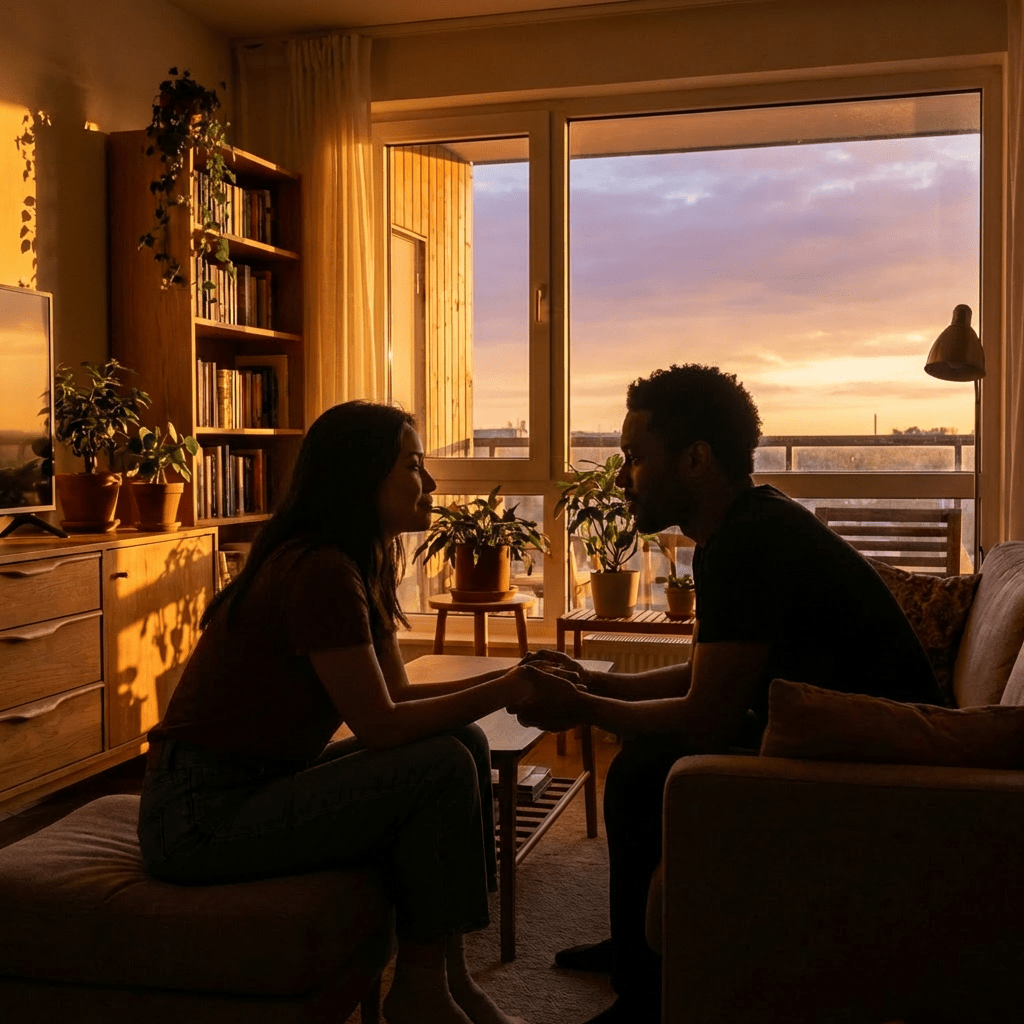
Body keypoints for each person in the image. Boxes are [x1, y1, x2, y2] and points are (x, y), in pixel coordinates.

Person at [513, 363, 943, 1024]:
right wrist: (594, 680)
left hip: (870, 770)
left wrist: (581, 707)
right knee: (640, 773)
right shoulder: (737, 531)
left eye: (634, 458)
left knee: (644, 769)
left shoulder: (750, 545)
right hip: (831, 736)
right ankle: (637, 955)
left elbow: (705, 718)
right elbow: (706, 675)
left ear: (695, 459)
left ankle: (646, 996)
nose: (624, 477)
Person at [138, 400, 558, 1024]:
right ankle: (418, 994)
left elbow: (396, 698)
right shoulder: (319, 570)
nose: (432, 484)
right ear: (361, 477)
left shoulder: (352, 563)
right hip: (199, 817)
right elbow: (382, 726)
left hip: (247, 788)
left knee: (463, 744)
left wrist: (513, 677)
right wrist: (509, 690)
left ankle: (448, 980)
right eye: (414, 467)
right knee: (442, 764)